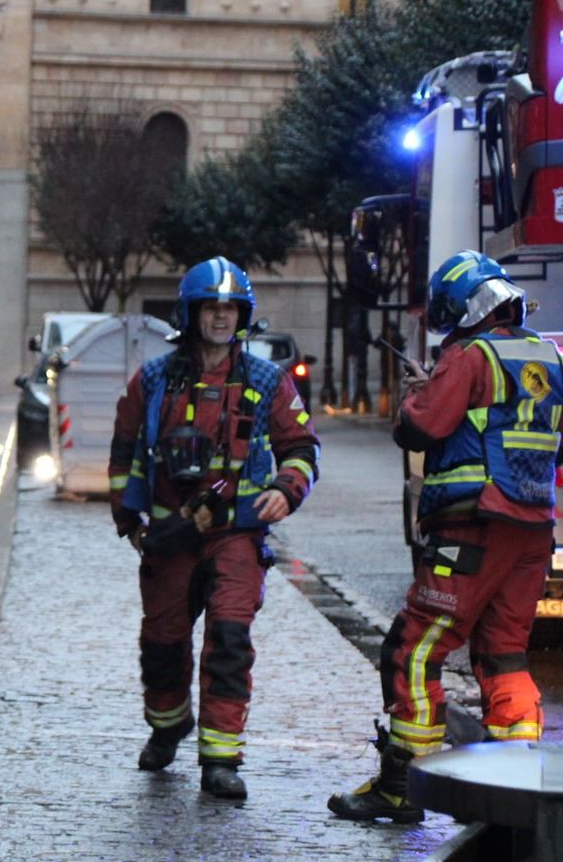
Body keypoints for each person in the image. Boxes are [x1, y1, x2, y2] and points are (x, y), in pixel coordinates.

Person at [329, 251, 561, 823]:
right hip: (533, 530)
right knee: (503, 654)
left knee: (413, 649)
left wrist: (422, 389)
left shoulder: (469, 355)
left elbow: (419, 427)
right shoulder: (548, 357)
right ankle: (511, 791)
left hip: (471, 527)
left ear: (460, 307)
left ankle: (402, 785)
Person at [109, 257, 320, 799]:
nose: (222, 317)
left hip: (237, 535)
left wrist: (285, 490)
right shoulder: (153, 380)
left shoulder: (267, 382)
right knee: (162, 642)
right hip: (170, 535)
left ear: (243, 315)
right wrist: (129, 520)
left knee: (229, 640)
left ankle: (221, 759)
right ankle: (167, 726)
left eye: (231, 308)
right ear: (191, 313)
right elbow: (124, 450)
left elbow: (301, 447)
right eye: (211, 308)